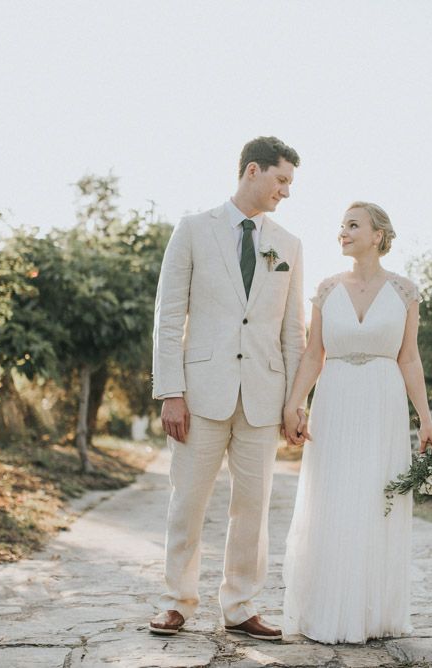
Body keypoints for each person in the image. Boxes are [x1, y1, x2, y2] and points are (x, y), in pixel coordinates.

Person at [149, 136, 306, 640]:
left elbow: (292, 331)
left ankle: (240, 606)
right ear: (253, 171)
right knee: (188, 501)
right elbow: (169, 317)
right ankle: (177, 601)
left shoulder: (289, 244)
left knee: (253, 507)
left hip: (263, 395)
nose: (286, 190)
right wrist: (171, 391)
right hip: (200, 393)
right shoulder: (194, 230)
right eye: (281, 179)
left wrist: (294, 402)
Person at [281, 202, 432, 644]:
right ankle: (328, 611)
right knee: (332, 498)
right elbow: (315, 354)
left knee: (375, 500)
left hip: (383, 402)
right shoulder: (327, 289)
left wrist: (425, 420)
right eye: (340, 226)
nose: (343, 232)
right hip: (334, 401)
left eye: (353, 225)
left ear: (378, 235)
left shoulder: (405, 291)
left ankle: (372, 613)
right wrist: (294, 405)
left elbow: (409, 357)